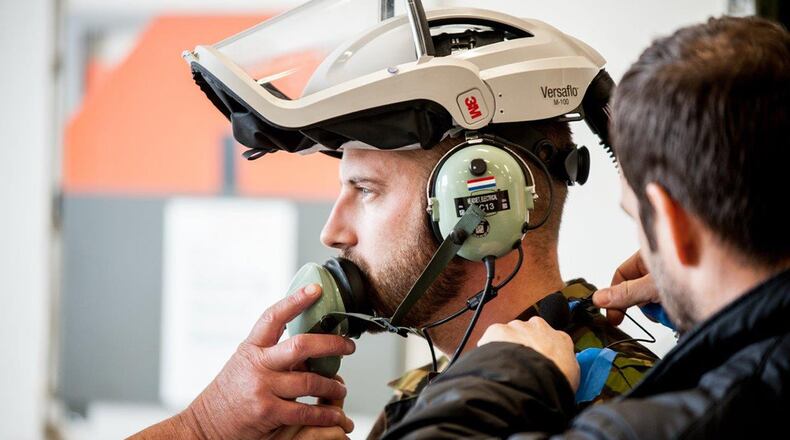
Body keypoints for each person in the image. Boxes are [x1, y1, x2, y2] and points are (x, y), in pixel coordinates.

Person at [133, 3, 659, 438]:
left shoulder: (622, 408)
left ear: (480, 203)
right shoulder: (426, 399)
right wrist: (206, 427)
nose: (332, 232)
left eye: (365, 189)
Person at [381, 15, 790, 439]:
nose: (332, 232)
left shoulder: (651, 421)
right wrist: (716, 315)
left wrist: (508, 375)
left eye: (366, 189)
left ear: (675, 226)